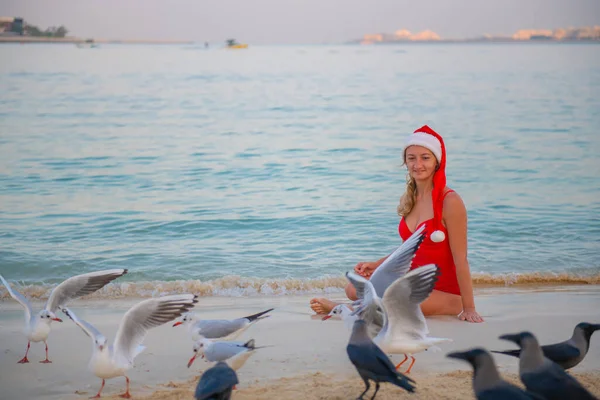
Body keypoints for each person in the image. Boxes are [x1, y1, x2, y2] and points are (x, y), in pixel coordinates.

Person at [310, 125, 484, 323]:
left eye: (425, 157)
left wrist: (469, 308)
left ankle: (341, 309)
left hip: (444, 292)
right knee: (353, 288)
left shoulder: (450, 202)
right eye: (412, 158)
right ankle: (359, 304)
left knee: (393, 302)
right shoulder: (412, 197)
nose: (418, 164)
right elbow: (410, 249)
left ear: (437, 161)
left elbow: (461, 260)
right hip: (411, 278)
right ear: (405, 161)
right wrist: (377, 265)